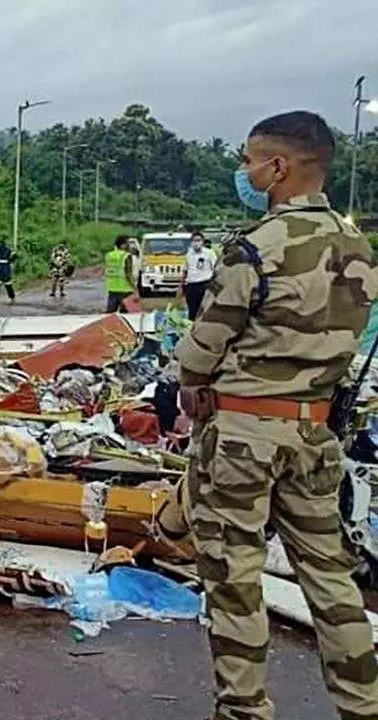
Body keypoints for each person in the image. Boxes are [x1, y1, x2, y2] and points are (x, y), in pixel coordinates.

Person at [168, 111, 378, 720]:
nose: (245, 171)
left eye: (248, 160)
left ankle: (244, 710)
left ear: (278, 167)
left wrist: (194, 382)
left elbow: (200, 348)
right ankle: (362, 705)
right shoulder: (357, 248)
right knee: (333, 583)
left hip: (242, 437)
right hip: (315, 434)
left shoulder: (257, 247)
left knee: (235, 582)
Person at [180, 231, 218, 320]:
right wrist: (181, 285)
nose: (196, 243)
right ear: (191, 242)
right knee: (192, 310)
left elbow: (216, 269)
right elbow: (185, 270)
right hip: (192, 285)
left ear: (202, 241)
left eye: (198, 240)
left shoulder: (209, 253)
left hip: (205, 284)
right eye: (194, 240)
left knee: (205, 309)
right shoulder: (189, 255)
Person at [104, 235, 135, 313]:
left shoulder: (109, 255)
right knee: (127, 317)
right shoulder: (126, 256)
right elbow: (128, 274)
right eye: (128, 243)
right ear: (123, 245)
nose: (130, 246)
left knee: (110, 315)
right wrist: (135, 289)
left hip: (112, 289)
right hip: (126, 290)